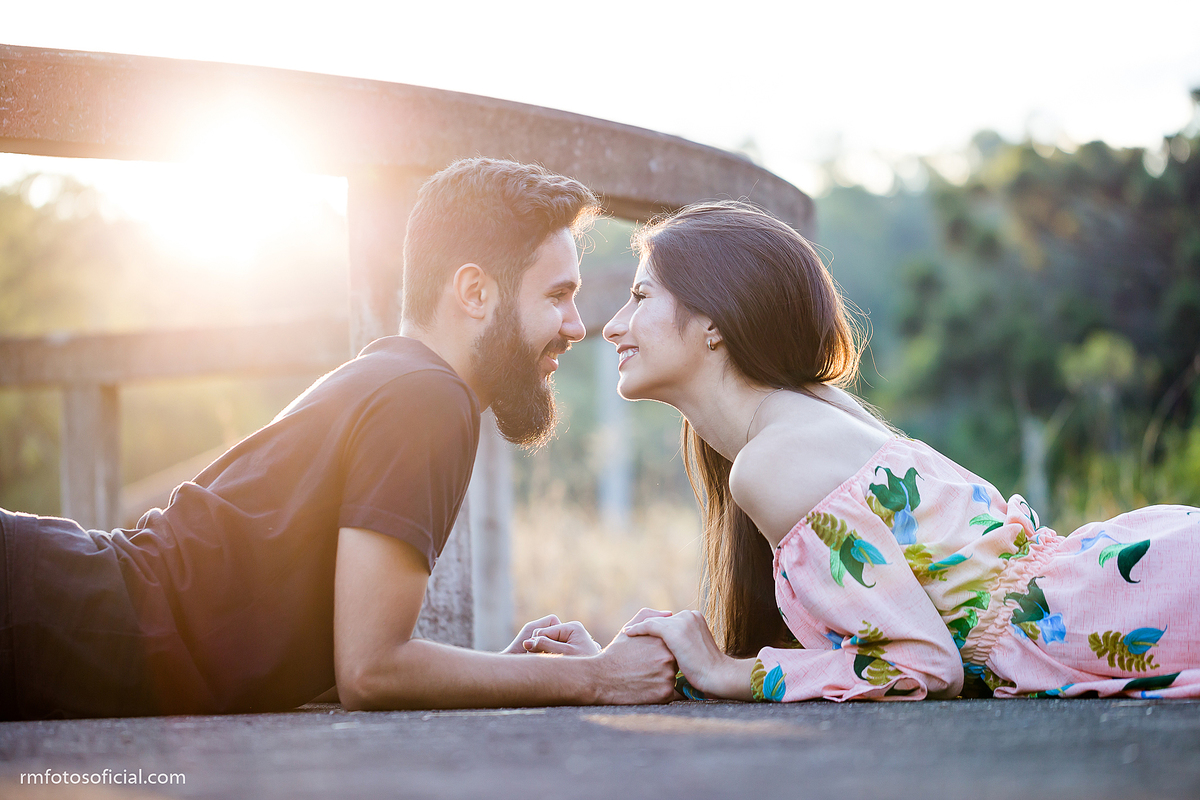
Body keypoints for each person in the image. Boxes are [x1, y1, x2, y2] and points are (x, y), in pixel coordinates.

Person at [0, 158, 676, 720]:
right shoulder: (427, 397)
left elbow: (320, 654)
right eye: (557, 295)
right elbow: (372, 672)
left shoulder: (400, 376)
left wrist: (496, 672)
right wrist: (596, 677)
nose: (577, 324)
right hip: (56, 613)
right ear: (475, 291)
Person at [599, 200, 1199, 702]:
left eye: (641, 296)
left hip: (1114, 613)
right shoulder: (809, 412)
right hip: (1120, 588)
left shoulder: (773, 460)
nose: (613, 325)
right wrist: (615, 670)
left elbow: (923, 664)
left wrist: (727, 672)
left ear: (715, 322)